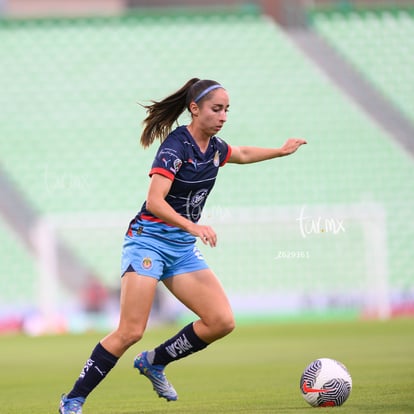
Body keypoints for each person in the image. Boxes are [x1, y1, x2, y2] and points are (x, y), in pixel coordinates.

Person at [59, 78, 307, 413]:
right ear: (195, 108)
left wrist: (280, 150)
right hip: (148, 242)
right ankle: (73, 399)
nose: (223, 116)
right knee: (131, 331)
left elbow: (243, 153)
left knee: (221, 321)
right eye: (216, 109)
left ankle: (153, 361)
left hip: (180, 249)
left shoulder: (215, 148)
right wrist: (194, 225)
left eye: (226, 110)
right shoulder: (176, 147)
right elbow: (155, 200)